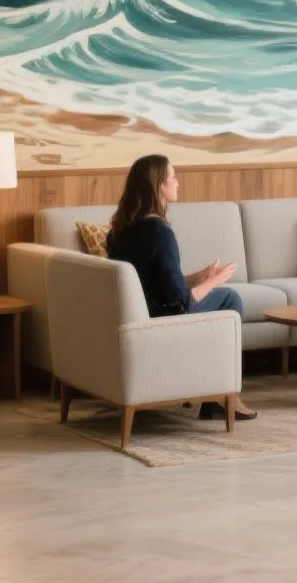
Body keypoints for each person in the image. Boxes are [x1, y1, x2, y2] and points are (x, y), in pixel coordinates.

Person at [104, 155, 255, 421]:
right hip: (158, 317)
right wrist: (214, 282)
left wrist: (199, 277)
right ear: (159, 185)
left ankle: (214, 394)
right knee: (229, 299)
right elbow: (180, 303)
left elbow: (154, 282)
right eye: (173, 177)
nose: (178, 183)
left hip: (141, 312)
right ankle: (222, 395)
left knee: (222, 297)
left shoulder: (122, 229)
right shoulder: (159, 232)